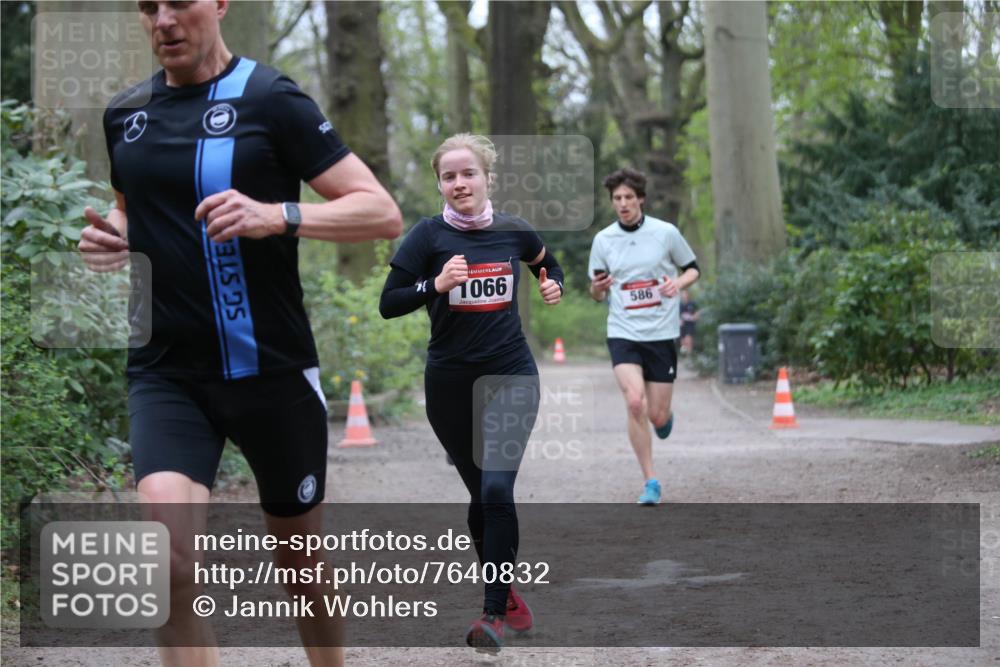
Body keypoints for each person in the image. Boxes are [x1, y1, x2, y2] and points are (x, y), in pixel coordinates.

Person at [77, 2, 402, 665]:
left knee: (299, 563)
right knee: (166, 562)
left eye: (179, 2)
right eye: (148, 6)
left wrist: (279, 214)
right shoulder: (125, 114)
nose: (164, 21)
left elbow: (381, 211)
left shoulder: (271, 98)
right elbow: (133, 213)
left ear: (220, 4)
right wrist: (114, 236)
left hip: (271, 370)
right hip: (167, 372)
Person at [379, 133, 563, 654]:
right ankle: (508, 597)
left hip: (511, 375)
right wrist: (434, 285)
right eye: (449, 176)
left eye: (468, 174)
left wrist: (552, 284)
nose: (459, 183)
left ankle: (492, 616)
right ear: (440, 184)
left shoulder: (514, 230)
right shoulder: (427, 236)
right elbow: (389, 303)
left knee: (497, 490)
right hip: (450, 385)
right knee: (481, 494)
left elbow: (547, 263)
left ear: (488, 178)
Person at [587, 168, 699, 506]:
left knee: (657, 416)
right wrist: (597, 288)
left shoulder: (665, 233)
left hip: (662, 333)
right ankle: (650, 481)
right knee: (635, 402)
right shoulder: (603, 240)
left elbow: (692, 268)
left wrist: (677, 284)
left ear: (641, 200)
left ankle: (665, 418)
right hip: (623, 331)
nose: (622, 204)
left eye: (628, 198)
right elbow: (596, 292)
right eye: (617, 198)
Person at [679, 290, 700, 354]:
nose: (684, 296)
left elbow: (697, 313)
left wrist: (694, 317)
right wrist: (679, 320)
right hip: (682, 325)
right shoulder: (680, 305)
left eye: (685, 294)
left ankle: (689, 354)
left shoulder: (692, 303)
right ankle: (684, 354)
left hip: (690, 324)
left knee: (688, 339)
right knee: (683, 341)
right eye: (683, 295)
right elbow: (678, 315)